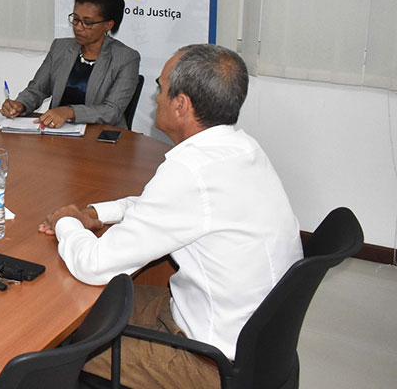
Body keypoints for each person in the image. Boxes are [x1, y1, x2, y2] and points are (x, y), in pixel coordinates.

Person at [38, 44, 302, 388]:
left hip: (208, 362)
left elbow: (94, 264)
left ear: (182, 105)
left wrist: (66, 221)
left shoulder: (191, 171)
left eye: (161, 88)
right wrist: (97, 214)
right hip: (246, 338)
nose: (155, 97)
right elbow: (167, 207)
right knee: (89, 311)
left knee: (56, 353)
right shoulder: (240, 149)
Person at [2, 0, 140, 129]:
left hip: (101, 139)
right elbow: (37, 89)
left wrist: (70, 112)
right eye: (75, 19)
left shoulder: (126, 58)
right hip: (57, 133)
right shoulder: (60, 48)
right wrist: (21, 105)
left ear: (108, 25)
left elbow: (112, 111)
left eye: (88, 23)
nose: (78, 28)